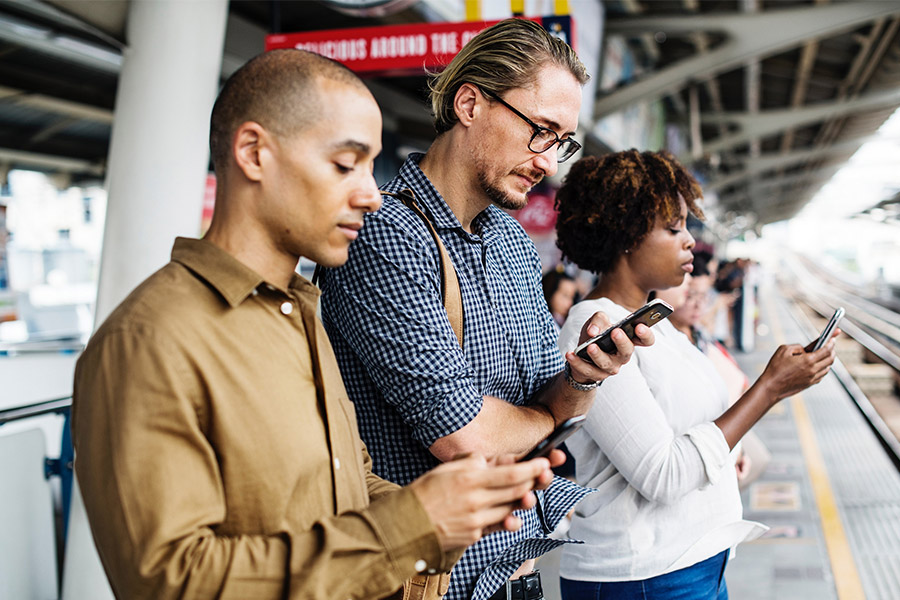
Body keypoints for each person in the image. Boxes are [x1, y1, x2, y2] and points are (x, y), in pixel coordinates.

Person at [71, 49, 564, 600]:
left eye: (369, 166)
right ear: (254, 154)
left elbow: (344, 489)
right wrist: (412, 522)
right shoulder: (147, 341)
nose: (371, 193)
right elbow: (168, 580)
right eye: (343, 164)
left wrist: (459, 504)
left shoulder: (298, 315)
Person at [319, 19, 653, 600]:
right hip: (432, 584)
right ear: (470, 102)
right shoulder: (386, 237)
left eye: (563, 142)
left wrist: (582, 375)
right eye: (540, 131)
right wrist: (546, 414)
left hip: (515, 574)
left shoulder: (510, 240)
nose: (548, 161)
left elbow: (557, 407)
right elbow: (465, 437)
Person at [553, 150, 837, 600]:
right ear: (627, 234)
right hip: (643, 577)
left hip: (693, 565)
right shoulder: (596, 328)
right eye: (673, 228)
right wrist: (769, 389)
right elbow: (664, 475)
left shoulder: (652, 323)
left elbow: (698, 425)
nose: (690, 241)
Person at [659, 256, 771, 489]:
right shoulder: (664, 342)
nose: (699, 304)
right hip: (706, 430)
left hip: (719, 421)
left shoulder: (699, 335)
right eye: (690, 295)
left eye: (703, 296)